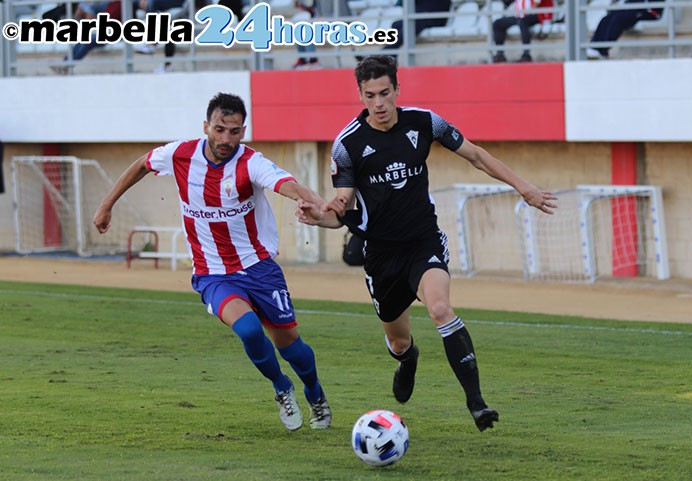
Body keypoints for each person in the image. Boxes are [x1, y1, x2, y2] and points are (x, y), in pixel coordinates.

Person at [297, 56, 557, 433]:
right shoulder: (347, 145)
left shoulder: (424, 122)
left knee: (440, 308)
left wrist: (525, 188)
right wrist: (319, 216)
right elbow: (342, 208)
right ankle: (408, 358)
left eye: (386, 93)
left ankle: (477, 404)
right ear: (361, 95)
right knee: (399, 340)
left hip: (422, 241)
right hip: (380, 255)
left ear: (397, 90)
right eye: (371, 95)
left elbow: (477, 156)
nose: (380, 103)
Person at [93, 92, 332, 432]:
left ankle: (315, 392)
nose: (225, 139)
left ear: (243, 131)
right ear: (206, 126)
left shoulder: (251, 163)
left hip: (259, 267)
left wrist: (319, 204)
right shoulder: (180, 154)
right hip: (212, 273)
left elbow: (287, 184)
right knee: (249, 329)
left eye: (234, 131)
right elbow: (142, 164)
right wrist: (107, 204)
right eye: (219, 129)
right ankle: (281, 387)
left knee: (291, 345)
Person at [586, 0, 664, 60]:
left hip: (650, 10)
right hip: (636, 6)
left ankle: (603, 50)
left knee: (619, 19)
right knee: (607, 18)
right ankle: (594, 46)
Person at [382, 0, 452, 51]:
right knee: (396, 24)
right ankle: (392, 53)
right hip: (418, 17)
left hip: (434, 19)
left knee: (413, 23)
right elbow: (403, 4)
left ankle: (388, 50)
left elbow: (440, 8)